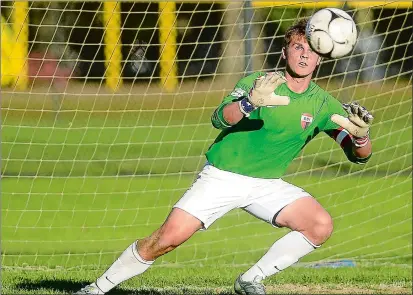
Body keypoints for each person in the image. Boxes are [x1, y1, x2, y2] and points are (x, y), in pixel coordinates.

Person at [75, 18, 373, 295]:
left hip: (267, 184)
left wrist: (361, 136)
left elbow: (359, 156)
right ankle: (97, 289)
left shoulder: (322, 103)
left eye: (310, 50)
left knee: (320, 225)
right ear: (285, 52)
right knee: (165, 240)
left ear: (322, 56)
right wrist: (249, 103)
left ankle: (250, 279)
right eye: (298, 47)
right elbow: (219, 118)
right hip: (222, 177)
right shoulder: (259, 83)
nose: (304, 55)